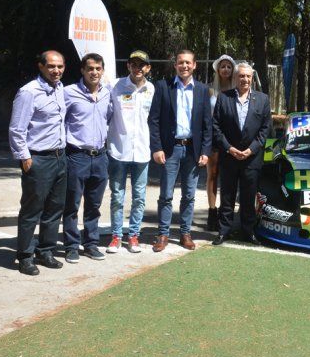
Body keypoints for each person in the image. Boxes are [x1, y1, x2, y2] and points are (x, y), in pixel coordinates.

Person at [8, 50, 68, 275]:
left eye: (60, 66)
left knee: (54, 208)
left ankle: (46, 251)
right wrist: (24, 157)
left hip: (60, 157)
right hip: (38, 159)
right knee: (32, 210)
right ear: (41, 66)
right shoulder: (28, 92)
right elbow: (16, 129)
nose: (56, 70)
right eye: (52, 66)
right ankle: (25, 256)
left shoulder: (60, 88)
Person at [148, 49, 213, 252]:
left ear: (194, 65)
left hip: (192, 151)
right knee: (166, 195)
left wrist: (205, 151)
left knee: (189, 195)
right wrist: (157, 147)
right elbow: (154, 120)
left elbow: (207, 125)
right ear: (175, 65)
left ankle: (185, 233)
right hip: (170, 150)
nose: (184, 66)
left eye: (188, 63)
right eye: (180, 63)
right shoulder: (163, 87)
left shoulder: (202, 90)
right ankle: (163, 234)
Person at [211, 62, 272, 245]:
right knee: (227, 197)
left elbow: (265, 129)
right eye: (241, 76)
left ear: (252, 78)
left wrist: (251, 149)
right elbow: (216, 127)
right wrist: (229, 148)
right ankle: (224, 231)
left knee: (248, 197)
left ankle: (248, 232)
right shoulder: (223, 97)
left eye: (248, 76)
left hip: (251, 158)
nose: (245, 79)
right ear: (235, 78)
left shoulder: (263, 99)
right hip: (229, 156)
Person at [62, 53, 113, 263]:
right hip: (76, 156)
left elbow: (109, 118)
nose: (94, 72)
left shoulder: (107, 94)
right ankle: (71, 246)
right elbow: (60, 120)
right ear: (82, 70)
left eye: (98, 69)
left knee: (94, 205)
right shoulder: (68, 93)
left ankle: (91, 244)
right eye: (90, 68)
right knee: (72, 204)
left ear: (102, 71)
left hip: (100, 156)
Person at [105, 50, 155, 254]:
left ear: (148, 68)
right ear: (128, 66)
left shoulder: (151, 89)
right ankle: (116, 236)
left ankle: (133, 235)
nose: (138, 68)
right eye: (134, 64)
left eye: (142, 65)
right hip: (118, 150)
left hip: (142, 151)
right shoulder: (115, 86)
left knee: (139, 197)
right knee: (117, 196)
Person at [205, 54, 236, 232]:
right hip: (213, 138)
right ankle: (212, 212)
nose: (225, 69)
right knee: (212, 175)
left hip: (232, 138)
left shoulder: (237, 90)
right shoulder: (210, 90)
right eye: (222, 66)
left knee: (229, 177)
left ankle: (227, 214)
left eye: (229, 67)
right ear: (218, 69)